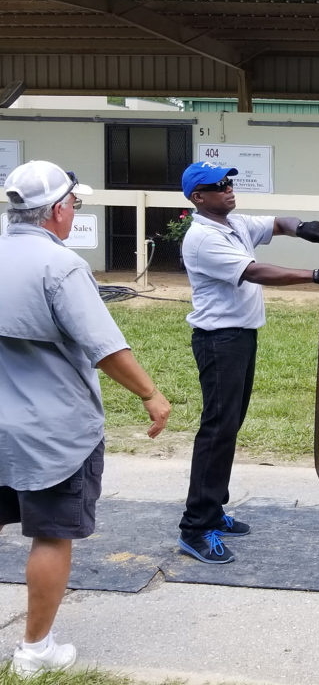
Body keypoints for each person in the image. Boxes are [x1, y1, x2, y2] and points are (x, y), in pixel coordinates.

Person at [0, 160, 172, 676]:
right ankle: (35, 650)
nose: (74, 212)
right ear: (57, 209)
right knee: (50, 534)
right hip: (52, 431)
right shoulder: (62, 266)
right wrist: (151, 394)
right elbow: (105, 347)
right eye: (74, 203)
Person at [176, 161, 319, 564]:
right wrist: (315, 274)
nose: (228, 189)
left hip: (240, 337)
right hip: (219, 341)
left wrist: (305, 228)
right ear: (198, 198)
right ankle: (195, 527)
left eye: (230, 181)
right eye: (218, 186)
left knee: (229, 426)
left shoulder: (232, 224)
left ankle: (214, 511)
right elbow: (257, 272)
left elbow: (277, 223)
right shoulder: (203, 238)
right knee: (217, 430)